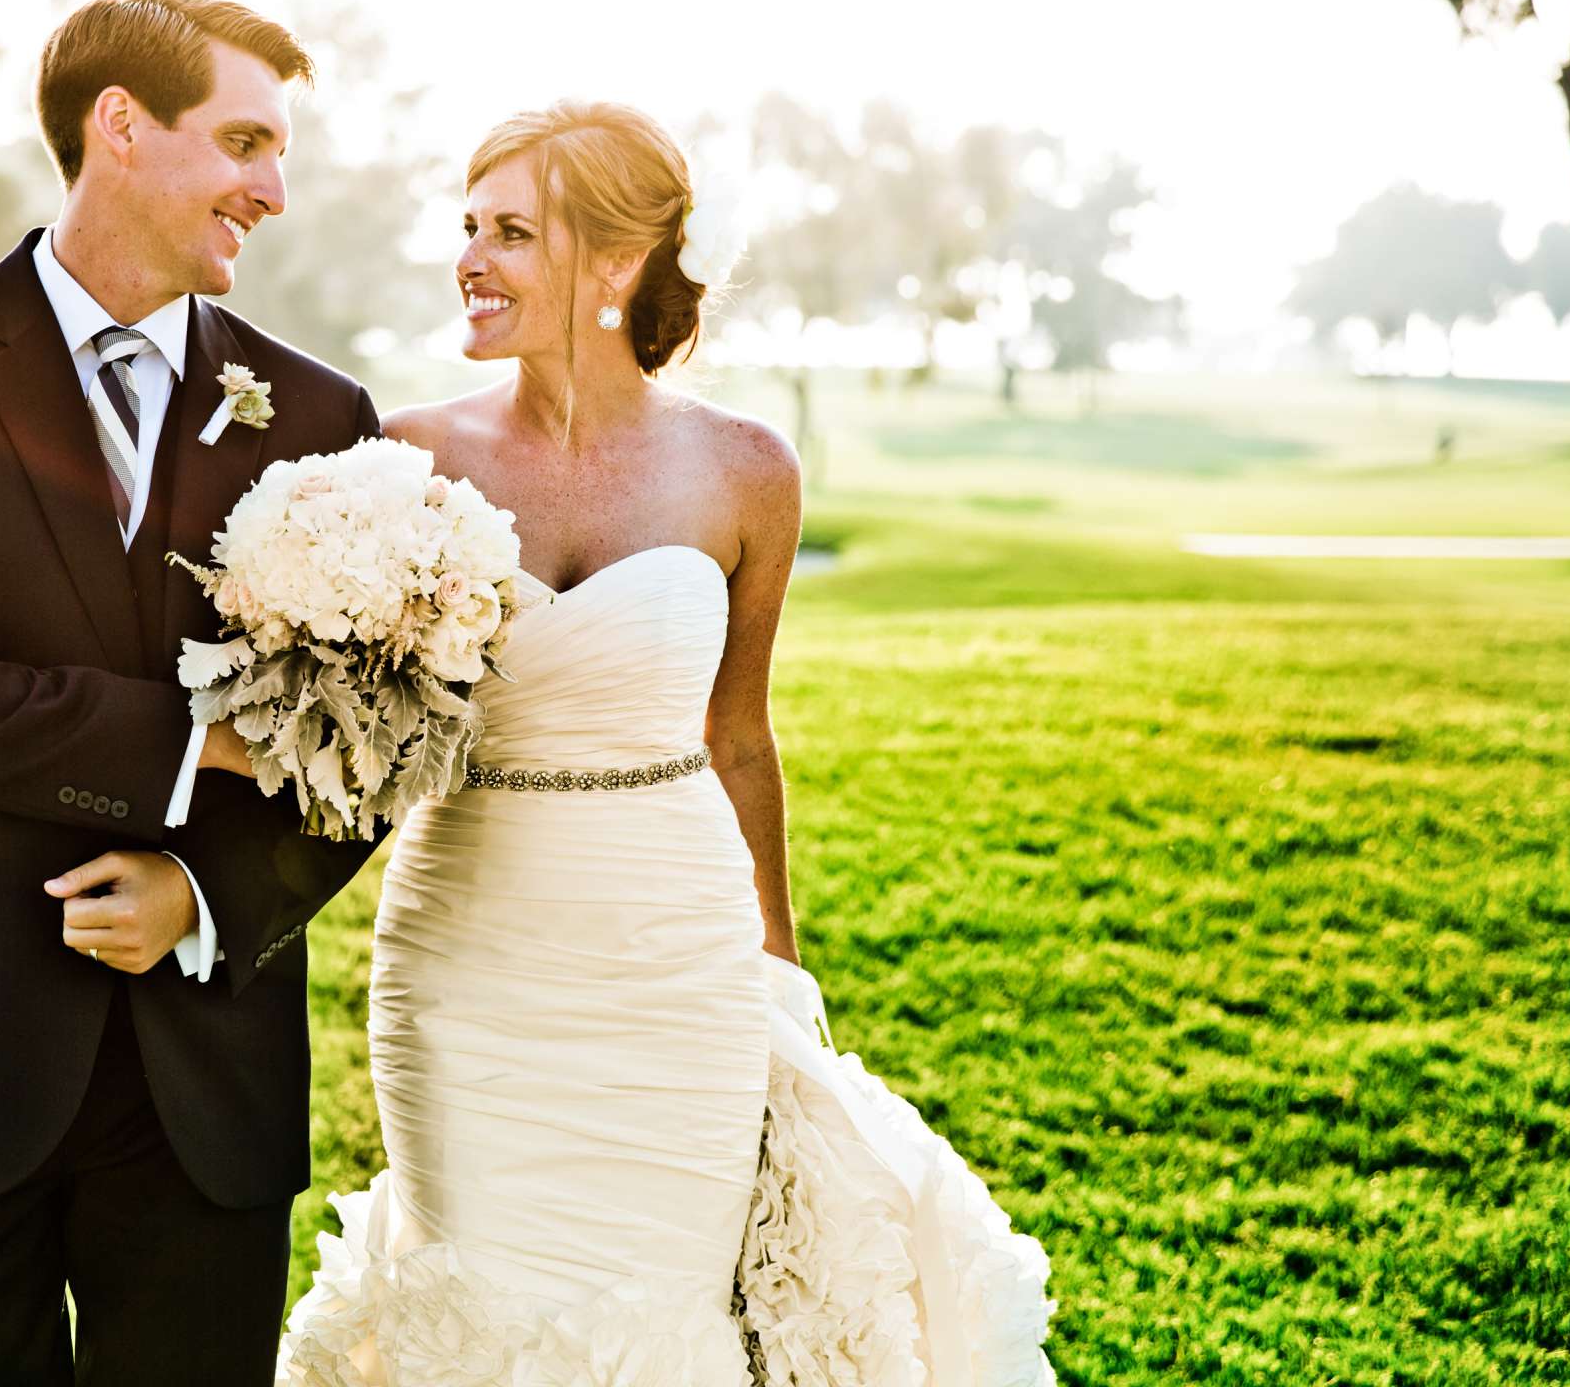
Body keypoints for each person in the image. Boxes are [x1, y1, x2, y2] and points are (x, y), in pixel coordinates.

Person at [279, 102, 1054, 1384]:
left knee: (663, 1309)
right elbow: (345, 736)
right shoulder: (403, 455)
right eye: (468, 227)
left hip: (674, 964)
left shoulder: (747, 469)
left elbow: (740, 737)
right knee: (471, 1291)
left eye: (513, 232)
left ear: (618, 264)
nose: (471, 258)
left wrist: (780, 976)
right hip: (470, 954)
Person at [0, 0, 381, 1386]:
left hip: (204, 1069)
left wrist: (209, 893)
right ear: (121, 126)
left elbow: (374, 749)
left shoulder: (322, 417)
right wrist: (204, 746)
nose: (273, 190)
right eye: (244, 144)